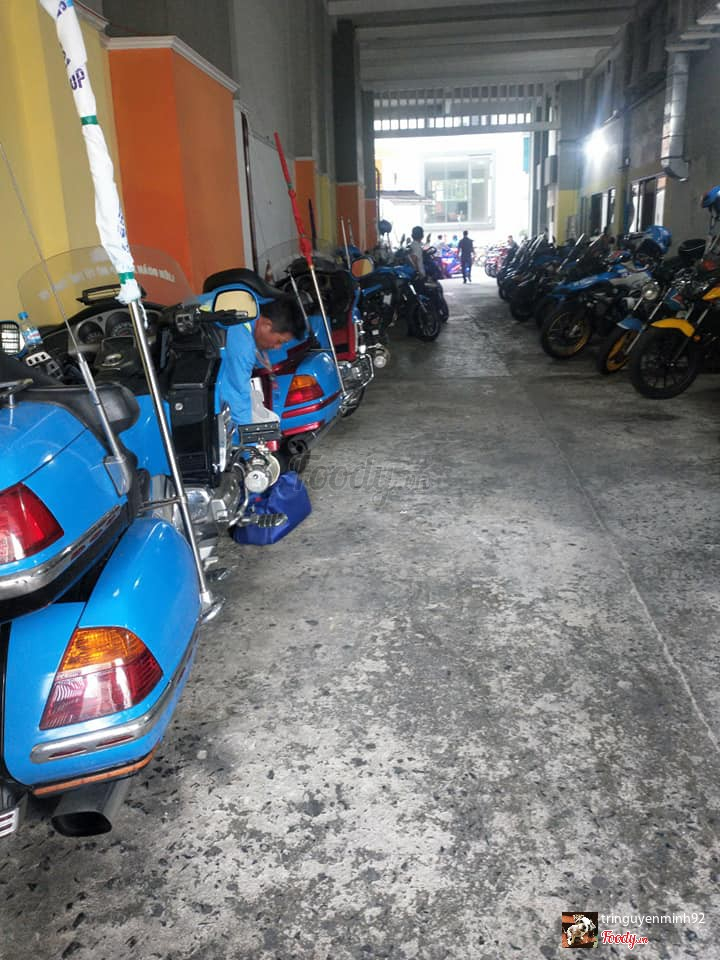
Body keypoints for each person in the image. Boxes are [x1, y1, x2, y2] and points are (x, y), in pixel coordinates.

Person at [218, 292, 305, 428]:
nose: (277, 347)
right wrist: (247, 436)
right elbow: (237, 397)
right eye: (279, 341)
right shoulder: (243, 345)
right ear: (266, 324)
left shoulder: (244, 310)